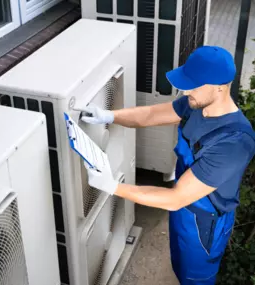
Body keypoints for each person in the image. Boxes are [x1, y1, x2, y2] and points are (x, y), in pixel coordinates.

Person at [79, 46, 255, 285]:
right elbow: (150, 115)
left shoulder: (234, 142)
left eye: (193, 84)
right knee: (180, 266)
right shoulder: (196, 105)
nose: (185, 90)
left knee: (196, 278)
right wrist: (109, 116)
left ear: (220, 87)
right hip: (183, 209)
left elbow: (175, 198)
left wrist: (113, 187)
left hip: (204, 223)